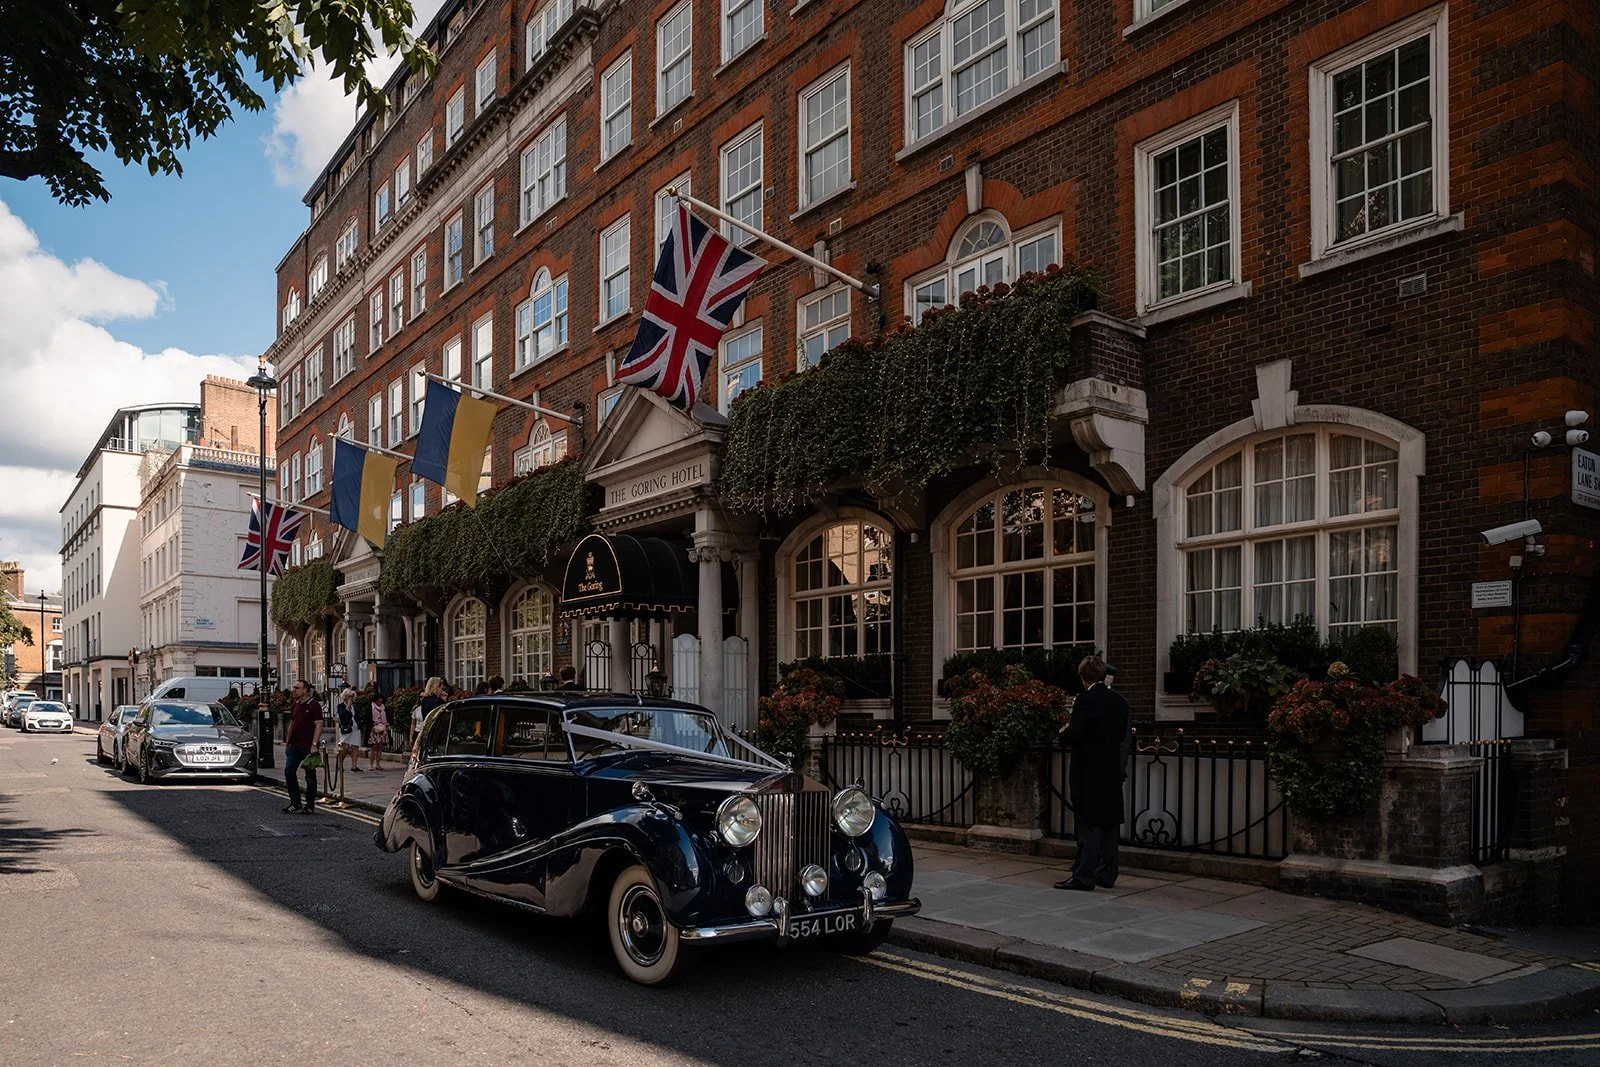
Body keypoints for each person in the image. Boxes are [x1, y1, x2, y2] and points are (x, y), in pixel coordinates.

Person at [1056, 655, 1131, 891]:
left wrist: (1064, 731)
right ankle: (1107, 874)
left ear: (1083, 677)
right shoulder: (1120, 702)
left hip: (1088, 770)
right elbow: (1121, 737)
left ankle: (1084, 876)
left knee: (1089, 823)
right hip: (1110, 770)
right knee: (1109, 824)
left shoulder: (1085, 700)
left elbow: (1076, 734)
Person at [283, 681, 323, 814]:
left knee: (310, 776)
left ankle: (310, 805)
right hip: (294, 745)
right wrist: (287, 742)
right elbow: (292, 724)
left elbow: (318, 725)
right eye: (293, 687)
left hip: (307, 746)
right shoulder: (295, 705)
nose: (293, 690)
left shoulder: (314, 705)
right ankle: (295, 802)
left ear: (305, 690)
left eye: (297, 688)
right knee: (289, 772)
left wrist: (314, 745)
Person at [335, 687, 363, 774]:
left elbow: (357, 716)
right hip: (346, 728)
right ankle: (340, 764)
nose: (350, 698)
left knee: (355, 747)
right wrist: (347, 707)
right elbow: (342, 715)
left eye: (351, 696)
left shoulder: (354, 707)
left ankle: (354, 766)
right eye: (348, 696)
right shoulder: (341, 706)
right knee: (345, 747)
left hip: (355, 728)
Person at [413, 676, 446, 749]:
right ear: (437, 687)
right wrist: (444, 700)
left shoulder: (425, 700)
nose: (442, 690)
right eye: (441, 688)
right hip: (437, 733)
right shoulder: (438, 702)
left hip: (427, 731)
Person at [368, 694, 389, 770]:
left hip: (382, 728)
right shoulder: (372, 707)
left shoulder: (383, 708)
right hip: (374, 728)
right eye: (378, 701)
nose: (380, 702)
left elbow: (386, 718)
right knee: (374, 747)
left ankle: (378, 764)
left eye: (381, 701)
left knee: (380, 747)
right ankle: (371, 764)